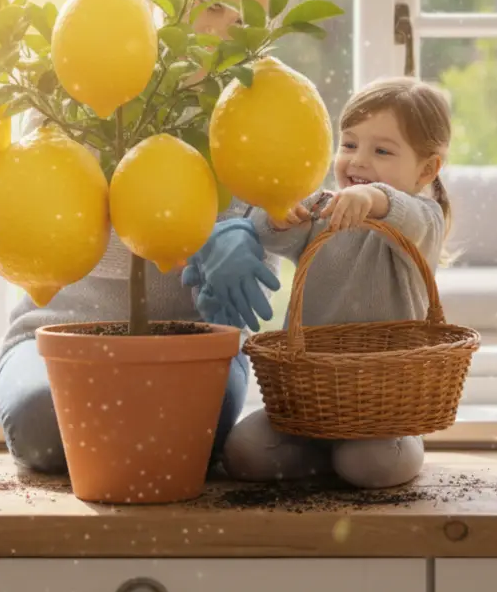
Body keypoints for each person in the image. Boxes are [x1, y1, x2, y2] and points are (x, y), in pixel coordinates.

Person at [0, 0, 304, 475]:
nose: (221, 33)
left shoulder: (269, 105)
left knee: (185, 437)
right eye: (211, 6)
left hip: (194, 347)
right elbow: (49, 229)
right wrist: (194, 232)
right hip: (59, 337)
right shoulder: (94, 71)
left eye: (248, 18)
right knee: (49, 424)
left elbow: (301, 223)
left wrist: (254, 229)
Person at [190, 76, 455, 488]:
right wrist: (277, 213)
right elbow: (270, 233)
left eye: (382, 151)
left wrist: (372, 199)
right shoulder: (325, 211)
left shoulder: (422, 221)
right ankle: (325, 451)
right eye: (349, 145)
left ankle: (373, 450)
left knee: (372, 463)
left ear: (427, 168)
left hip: (382, 409)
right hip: (311, 398)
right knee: (243, 453)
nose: (358, 161)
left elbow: (402, 211)